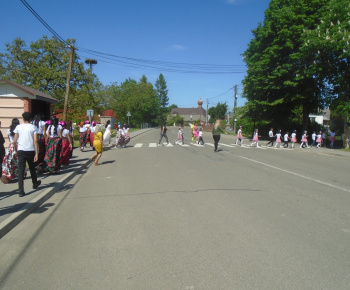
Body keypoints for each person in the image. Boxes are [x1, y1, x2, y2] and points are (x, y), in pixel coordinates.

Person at [12, 112, 41, 197]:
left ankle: (21, 190)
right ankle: (35, 183)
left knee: (21, 170)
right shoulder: (33, 127)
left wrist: (16, 150)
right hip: (30, 149)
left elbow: (14, 141)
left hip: (21, 149)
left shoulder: (18, 127)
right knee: (32, 167)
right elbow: (35, 140)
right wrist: (36, 153)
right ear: (31, 119)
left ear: (23, 118)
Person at [1, 118, 21, 184]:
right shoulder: (19, 130)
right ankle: (19, 174)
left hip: (11, 146)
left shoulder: (9, 130)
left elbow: (9, 139)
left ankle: (9, 174)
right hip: (18, 145)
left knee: (9, 161)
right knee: (18, 161)